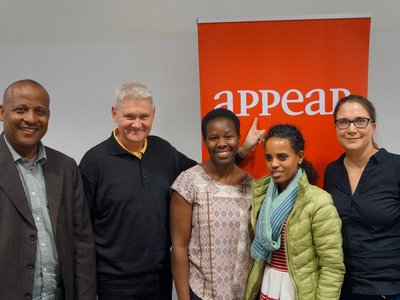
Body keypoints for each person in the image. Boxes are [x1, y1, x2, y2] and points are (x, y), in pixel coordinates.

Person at [79, 82, 265, 300]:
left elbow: (207, 176)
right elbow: (81, 231)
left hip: (160, 278)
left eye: (144, 117)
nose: (137, 124)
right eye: (129, 116)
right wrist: (87, 289)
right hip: (113, 283)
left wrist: (241, 150)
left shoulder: (163, 151)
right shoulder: (95, 162)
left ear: (153, 115)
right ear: (114, 113)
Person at [0, 79, 96, 300]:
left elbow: (82, 241)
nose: (31, 119)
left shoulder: (66, 167)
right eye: (21, 110)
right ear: (3, 112)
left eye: (40, 111)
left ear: (48, 116)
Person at [246, 124, 345, 300]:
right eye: (269, 158)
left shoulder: (318, 201)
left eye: (282, 157)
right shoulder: (261, 195)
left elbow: (332, 267)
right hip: (266, 288)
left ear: (299, 157)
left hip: (298, 292)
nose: (274, 164)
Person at [170, 108, 253, 300]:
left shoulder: (252, 185)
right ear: (205, 141)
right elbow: (179, 247)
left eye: (229, 136)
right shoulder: (188, 182)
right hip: (201, 293)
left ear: (238, 138)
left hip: (243, 294)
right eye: (214, 138)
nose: (222, 143)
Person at [324, 95, 400, 300]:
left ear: (372, 126)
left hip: (387, 289)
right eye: (343, 122)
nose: (351, 129)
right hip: (341, 287)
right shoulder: (332, 172)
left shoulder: (395, 167)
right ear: (336, 127)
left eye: (360, 121)